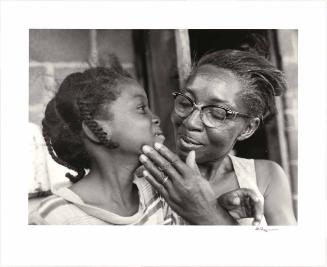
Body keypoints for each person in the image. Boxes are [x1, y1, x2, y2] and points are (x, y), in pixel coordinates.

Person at [29, 60, 262, 225]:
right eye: (141, 108)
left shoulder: (162, 195)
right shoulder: (53, 218)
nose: (156, 117)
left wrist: (220, 213)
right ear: (94, 129)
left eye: (217, 113)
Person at [139, 49, 297, 225]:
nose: (191, 122)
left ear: (248, 128)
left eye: (216, 113)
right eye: (185, 102)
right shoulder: (147, 177)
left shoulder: (264, 177)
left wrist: (212, 215)